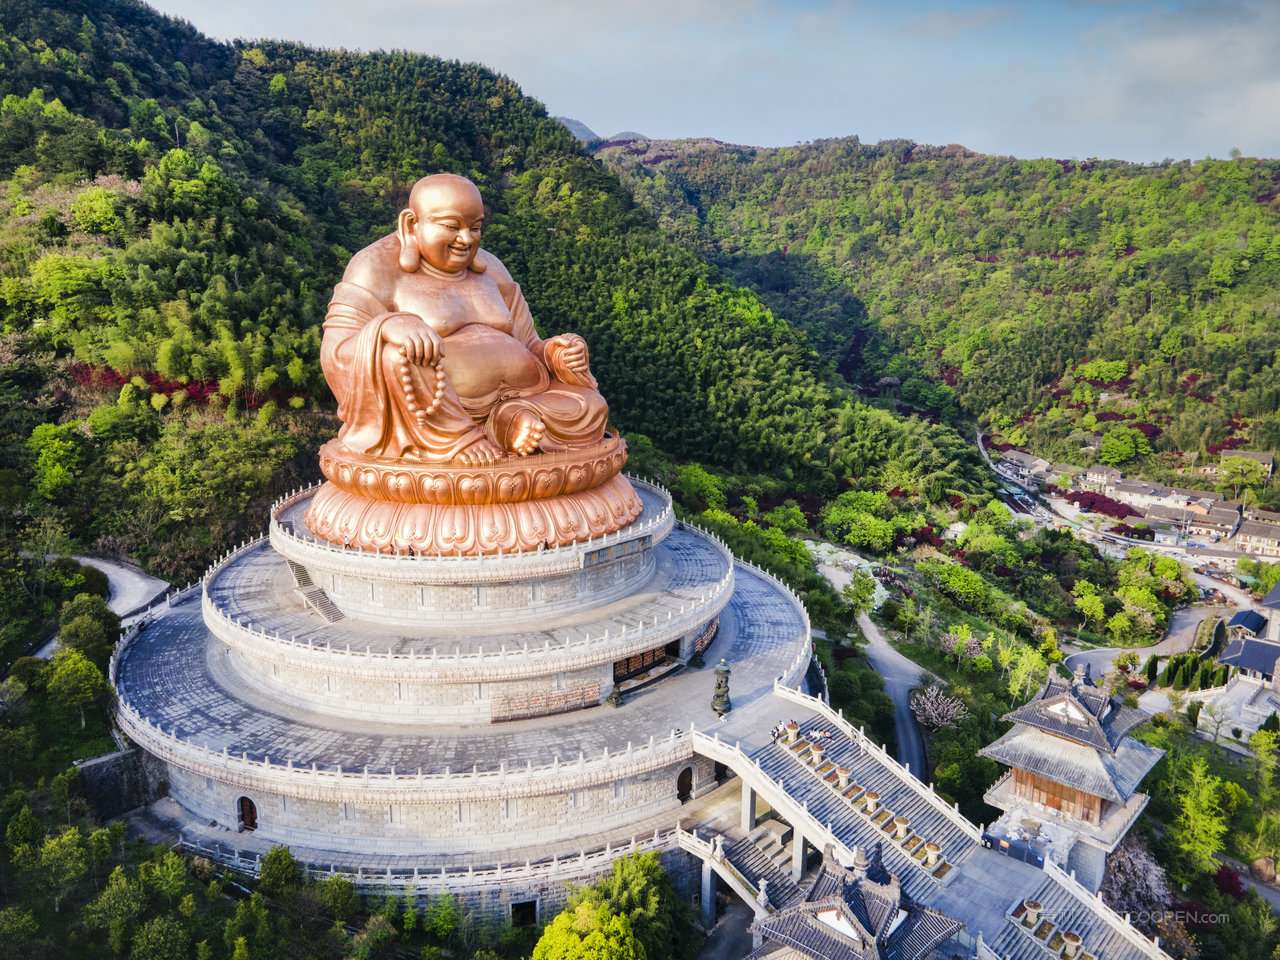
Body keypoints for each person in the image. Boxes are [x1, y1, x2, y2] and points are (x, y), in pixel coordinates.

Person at [322, 173, 609, 465]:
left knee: (592, 406)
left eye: (475, 227)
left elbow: (529, 342)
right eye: (452, 226)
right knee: (395, 355)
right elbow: (336, 354)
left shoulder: (493, 269)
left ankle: (508, 420)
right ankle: (459, 437)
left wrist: (556, 354)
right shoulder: (374, 268)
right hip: (436, 414)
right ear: (411, 224)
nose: (466, 239)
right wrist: (386, 326)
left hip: (529, 393)